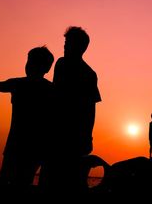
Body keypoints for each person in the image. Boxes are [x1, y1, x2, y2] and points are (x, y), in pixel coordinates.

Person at [40, 26, 101, 195]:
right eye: (65, 43)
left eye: (68, 43)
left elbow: (90, 108)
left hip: (72, 134)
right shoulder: (63, 64)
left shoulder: (87, 73)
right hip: (57, 131)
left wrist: (88, 135)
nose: (65, 47)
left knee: (67, 182)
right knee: (52, 179)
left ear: (80, 47)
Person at [0, 46, 54, 188]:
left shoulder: (20, 84)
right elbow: (1, 85)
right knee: (22, 181)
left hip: (21, 143)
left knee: (9, 180)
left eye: (31, 62)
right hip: (33, 145)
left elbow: (2, 86)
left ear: (45, 68)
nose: (28, 66)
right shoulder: (49, 88)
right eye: (28, 62)